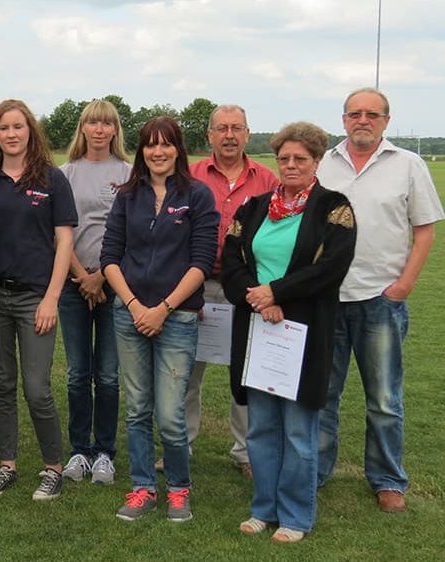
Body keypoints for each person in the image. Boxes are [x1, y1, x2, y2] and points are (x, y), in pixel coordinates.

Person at [222, 122, 356, 543]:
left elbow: (330, 269)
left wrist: (276, 293)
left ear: (316, 161)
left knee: (299, 430)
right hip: (258, 330)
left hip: (306, 333)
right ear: (275, 161)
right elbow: (231, 265)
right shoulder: (253, 208)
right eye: (284, 158)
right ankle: (263, 507)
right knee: (261, 425)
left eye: (301, 158)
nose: (291, 164)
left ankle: (296, 515)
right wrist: (260, 299)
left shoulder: (334, 208)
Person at [316, 87, 444, 513]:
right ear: (344, 119)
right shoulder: (324, 163)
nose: (363, 120)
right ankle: (315, 470)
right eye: (355, 113)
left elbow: (424, 228)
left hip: (380, 300)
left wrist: (404, 284)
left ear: (386, 121)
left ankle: (388, 479)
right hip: (327, 300)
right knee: (322, 394)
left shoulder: (407, 164)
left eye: (372, 114)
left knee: (385, 399)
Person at [100, 116, 219, 523]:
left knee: (170, 414)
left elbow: (202, 262)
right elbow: (109, 258)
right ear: (142, 151)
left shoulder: (198, 196)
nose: (158, 151)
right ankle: (142, 488)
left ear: (178, 149)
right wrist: (134, 306)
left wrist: (163, 308)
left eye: (166, 144)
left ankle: (179, 490)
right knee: (136, 409)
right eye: (151, 144)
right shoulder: (127, 196)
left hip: (178, 318)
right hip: (128, 315)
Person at [0, 99, 75, 500]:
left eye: (18, 126)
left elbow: (64, 241)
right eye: (4, 128)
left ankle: (53, 467)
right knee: (2, 384)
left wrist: (51, 298)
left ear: (31, 131)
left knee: (36, 388)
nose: (11, 134)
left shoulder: (52, 179)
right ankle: (6, 465)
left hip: (35, 299)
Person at [186, 105, 279, 477]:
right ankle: (182, 446)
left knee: (245, 376)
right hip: (194, 287)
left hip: (246, 291)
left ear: (247, 133)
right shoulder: (190, 175)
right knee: (186, 374)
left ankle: (245, 453)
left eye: (236, 128)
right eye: (221, 128)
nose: (229, 135)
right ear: (209, 135)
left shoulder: (267, 180)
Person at [58, 99, 132, 484]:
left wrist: (102, 276)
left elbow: (131, 232)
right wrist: (81, 277)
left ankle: (104, 451)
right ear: (83, 128)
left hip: (114, 285)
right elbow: (58, 231)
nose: (100, 129)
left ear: (115, 129)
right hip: (72, 285)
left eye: (107, 123)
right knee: (76, 373)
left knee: (106, 375)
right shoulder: (65, 172)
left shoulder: (129, 173)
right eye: (93, 123)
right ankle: (78, 452)